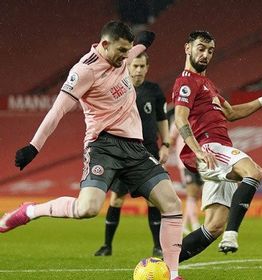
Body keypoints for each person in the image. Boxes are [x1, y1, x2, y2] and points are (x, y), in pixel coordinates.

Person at [0, 21, 184, 280]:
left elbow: (135, 48)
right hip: (103, 146)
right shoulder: (84, 71)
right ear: (105, 45)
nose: (125, 58)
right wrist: (34, 146)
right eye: (122, 51)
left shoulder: (122, 55)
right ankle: (29, 211)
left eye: (128, 51)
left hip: (135, 148)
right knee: (87, 209)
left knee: (172, 203)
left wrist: (143, 41)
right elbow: (58, 110)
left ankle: (174, 274)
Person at [172, 30, 262, 261]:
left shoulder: (207, 84)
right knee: (254, 172)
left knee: (213, 226)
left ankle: (162, 265)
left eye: (210, 51)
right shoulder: (186, 81)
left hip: (217, 154)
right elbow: (180, 118)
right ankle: (232, 235)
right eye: (201, 48)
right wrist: (197, 151)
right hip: (209, 149)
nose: (205, 54)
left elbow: (232, 112)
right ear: (187, 48)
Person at [94, 52, 170, 258]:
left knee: (153, 199)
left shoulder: (154, 91)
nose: (138, 70)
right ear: (128, 66)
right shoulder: (117, 89)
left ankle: (158, 246)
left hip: (148, 152)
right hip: (122, 152)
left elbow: (162, 119)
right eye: (135, 66)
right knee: (116, 199)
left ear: (147, 67)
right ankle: (106, 245)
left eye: (141, 66)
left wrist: (167, 144)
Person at [169, 121, 203, 235]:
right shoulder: (178, 119)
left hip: (199, 160)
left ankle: (184, 225)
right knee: (192, 192)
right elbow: (171, 138)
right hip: (186, 161)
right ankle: (195, 224)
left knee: (196, 193)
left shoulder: (199, 117)